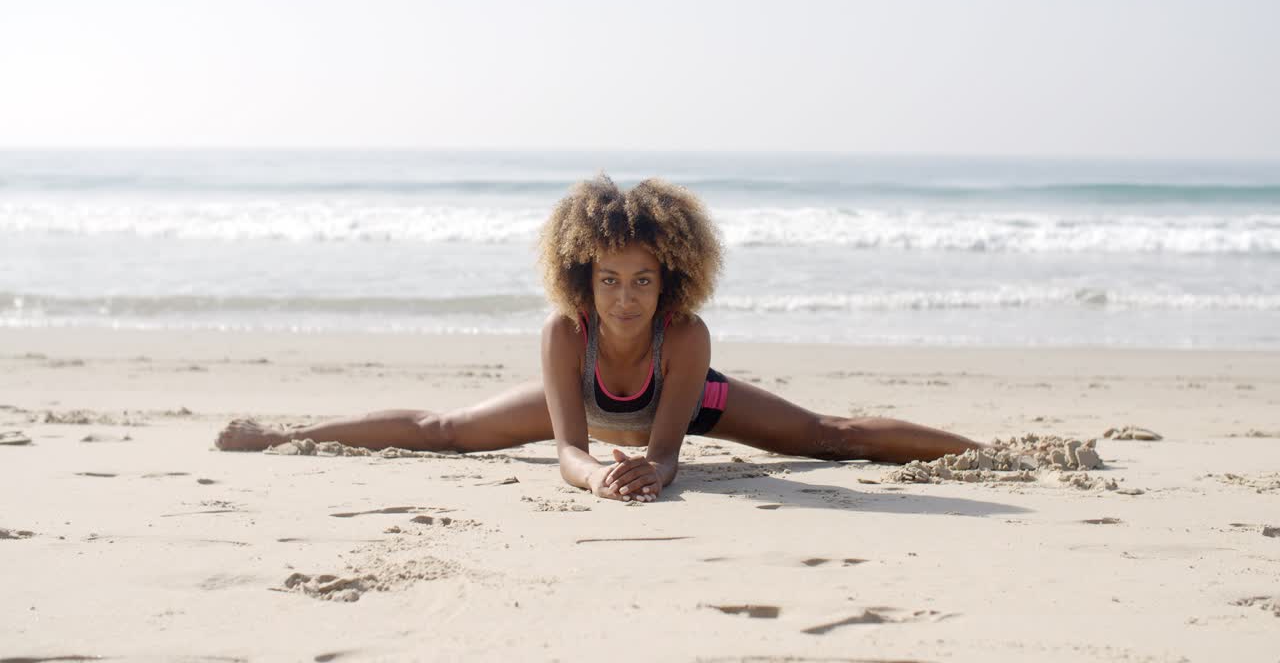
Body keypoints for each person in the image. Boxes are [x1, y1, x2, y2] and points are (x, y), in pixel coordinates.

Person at [216, 174, 980, 503]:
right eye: (609, 281)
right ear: (583, 281)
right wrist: (599, 479)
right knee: (443, 429)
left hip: (682, 405)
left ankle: (991, 454)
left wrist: (651, 470)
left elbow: (672, 452)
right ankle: (287, 435)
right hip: (584, 401)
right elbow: (568, 454)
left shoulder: (686, 337)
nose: (625, 297)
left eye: (642, 281)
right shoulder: (563, 334)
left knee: (828, 435)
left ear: (669, 282)